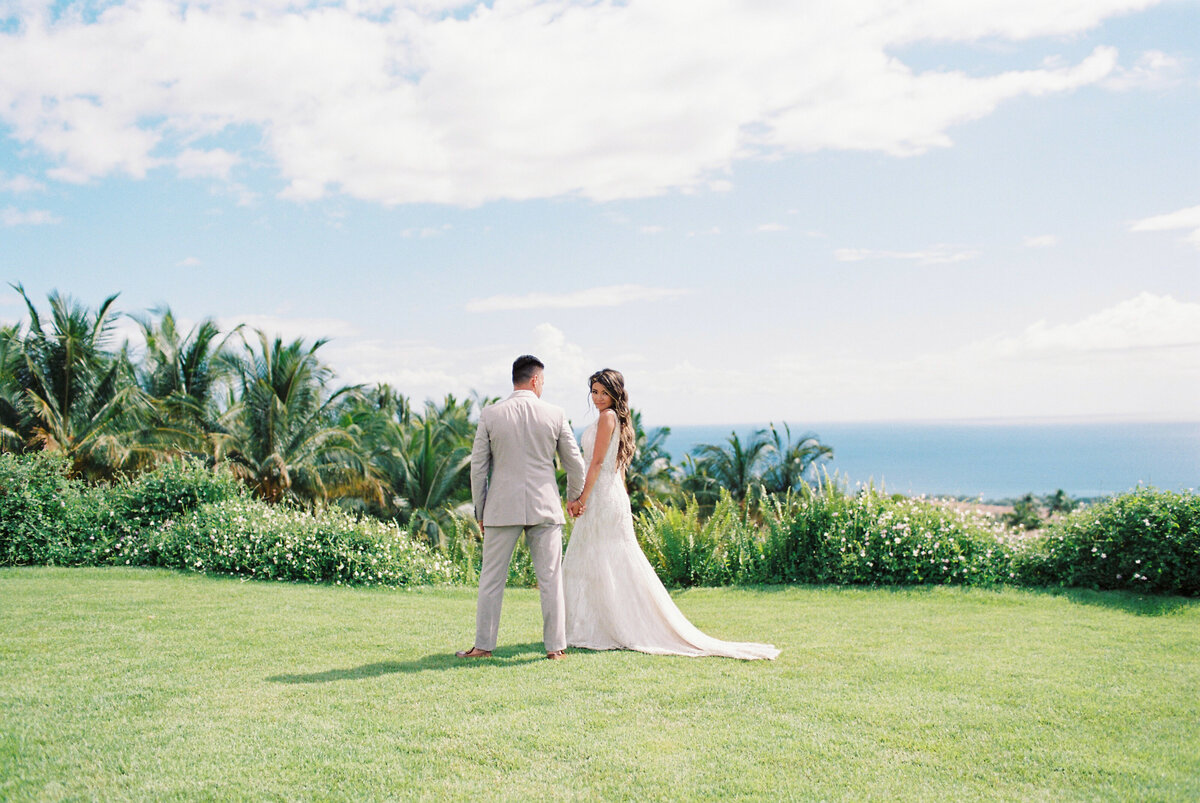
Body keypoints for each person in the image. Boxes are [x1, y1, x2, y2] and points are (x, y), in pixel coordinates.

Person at [563, 369, 780, 660]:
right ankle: (601, 626)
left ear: (615, 393)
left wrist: (581, 498)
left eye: (604, 392)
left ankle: (606, 628)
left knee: (600, 561)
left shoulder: (607, 418)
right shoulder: (616, 419)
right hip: (611, 496)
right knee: (602, 562)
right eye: (594, 391)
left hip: (601, 498)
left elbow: (598, 462)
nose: (598, 398)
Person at [457, 355, 587, 661]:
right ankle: (555, 648)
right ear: (536, 380)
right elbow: (575, 464)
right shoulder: (555, 414)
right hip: (545, 506)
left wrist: (481, 511)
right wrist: (573, 498)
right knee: (551, 579)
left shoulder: (490, 414)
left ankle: (482, 646)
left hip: (501, 509)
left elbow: (478, 468)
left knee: (491, 579)